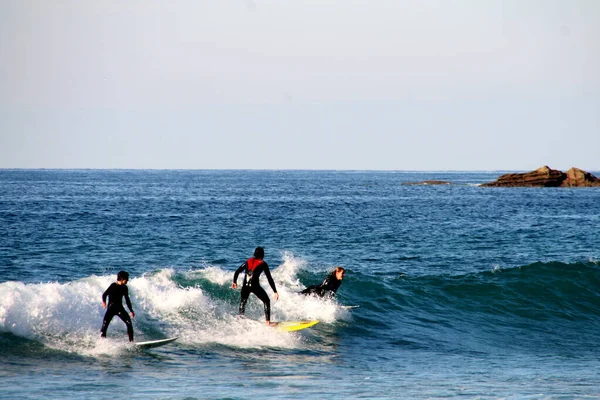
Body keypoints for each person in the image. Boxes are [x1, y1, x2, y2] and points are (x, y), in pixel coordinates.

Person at [232, 247, 279, 326]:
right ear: (263, 254)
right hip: (254, 286)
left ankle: (241, 318)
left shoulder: (247, 261)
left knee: (243, 302)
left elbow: (237, 271)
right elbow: (269, 278)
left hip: (245, 286)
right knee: (266, 301)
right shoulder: (263, 263)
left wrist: (234, 282)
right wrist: (275, 291)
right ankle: (268, 322)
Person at [100, 270, 135, 342]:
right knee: (104, 326)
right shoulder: (113, 285)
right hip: (111, 309)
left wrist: (131, 310)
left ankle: (131, 342)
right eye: (127, 278)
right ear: (122, 278)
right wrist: (104, 302)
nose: (128, 280)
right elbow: (104, 294)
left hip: (120, 309)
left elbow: (127, 300)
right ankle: (102, 342)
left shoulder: (125, 288)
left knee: (129, 323)